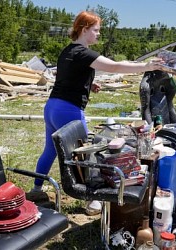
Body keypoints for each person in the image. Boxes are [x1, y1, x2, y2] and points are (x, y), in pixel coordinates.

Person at [32, 11, 163, 216]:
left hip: (52, 107)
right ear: (84, 30)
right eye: (95, 30)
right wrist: (147, 66)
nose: (98, 34)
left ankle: (36, 189)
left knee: (50, 150)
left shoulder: (68, 51)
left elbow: (69, 75)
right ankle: (93, 201)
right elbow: (115, 66)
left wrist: (89, 83)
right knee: (87, 153)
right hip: (69, 109)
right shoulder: (84, 53)